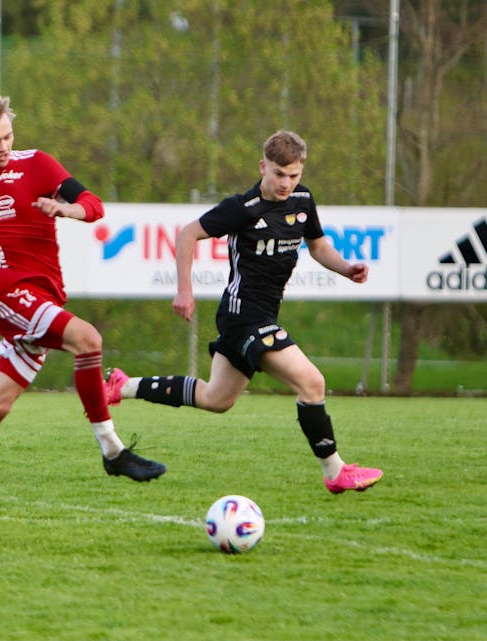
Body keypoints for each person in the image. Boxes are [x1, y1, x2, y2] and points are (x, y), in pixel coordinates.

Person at [0, 89, 166, 532]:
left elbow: (94, 206)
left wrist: (63, 208)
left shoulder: (38, 164)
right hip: (7, 295)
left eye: (7, 136)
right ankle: (113, 451)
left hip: (42, 297)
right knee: (89, 340)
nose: (3, 147)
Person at [104, 130, 383, 495]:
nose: (286, 183)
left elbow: (317, 247)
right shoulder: (242, 208)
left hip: (258, 316)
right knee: (312, 382)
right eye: (279, 174)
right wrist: (184, 290)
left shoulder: (302, 200)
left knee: (215, 399)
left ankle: (123, 387)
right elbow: (188, 234)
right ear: (263, 166)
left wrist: (346, 269)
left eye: (293, 175)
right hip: (244, 317)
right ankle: (335, 471)